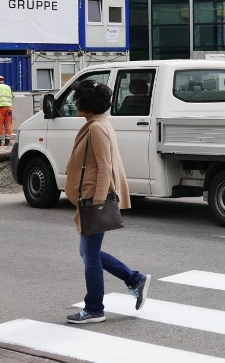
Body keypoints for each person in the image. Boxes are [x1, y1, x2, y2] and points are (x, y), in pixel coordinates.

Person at [64, 79, 150, 324]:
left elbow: (105, 166)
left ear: (87, 103)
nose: (75, 102)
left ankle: (94, 308)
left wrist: (98, 202)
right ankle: (134, 279)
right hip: (90, 197)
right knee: (88, 251)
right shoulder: (98, 123)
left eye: (78, 99)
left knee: (90, 255)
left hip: (93, 198)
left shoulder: (96, 128)